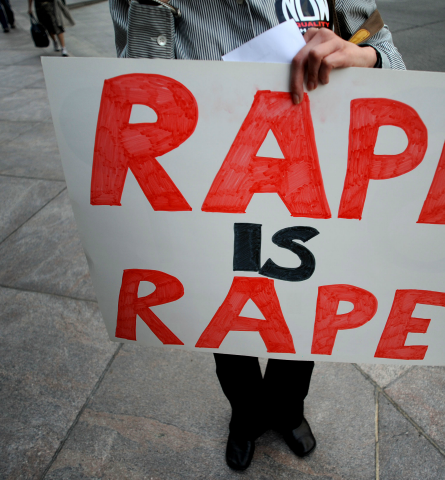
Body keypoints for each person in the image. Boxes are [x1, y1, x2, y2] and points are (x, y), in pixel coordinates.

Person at [109, 0, 405, 471]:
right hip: (212, 179)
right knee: (228, 303)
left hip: (315, 171)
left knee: (305, 301)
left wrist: (362, 56)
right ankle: (245, 415)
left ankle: (287, 408)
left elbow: (383, 47)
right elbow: (140, 87)